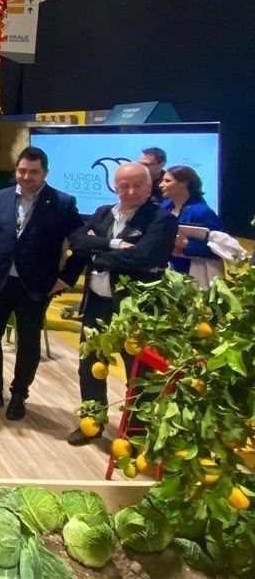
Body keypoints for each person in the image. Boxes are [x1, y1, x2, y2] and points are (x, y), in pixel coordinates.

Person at [0, 147, 85, 421]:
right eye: (22, 170)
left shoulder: (62, 203)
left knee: (28, 343)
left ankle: (19, 395)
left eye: (33, 172)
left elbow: (83, 246)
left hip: (35, 286)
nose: (26, 176)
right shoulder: (1, 196)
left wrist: (65, 279)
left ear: (45, 173)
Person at [65, 162, 177, 445]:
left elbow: (144, 258)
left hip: (135, 310)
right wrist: (114, 245)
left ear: (149, 185)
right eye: (124, 185)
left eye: (137, 185)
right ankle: (92, 423)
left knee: (138, 373)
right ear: (115, 186)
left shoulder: (160, 219)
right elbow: (77, 242)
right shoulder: (104, 212)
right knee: (90, 366)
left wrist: (98, 252)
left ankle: (136, 433)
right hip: (97, 306)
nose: (130, 191)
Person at [159, 165, 225, 284]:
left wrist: (186, 244)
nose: (161, 185)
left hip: (194, 277)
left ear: (184, 183)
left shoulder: (202, 212)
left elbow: (221, 248)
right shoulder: (163, 207)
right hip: (166, 273)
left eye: (167, 181)